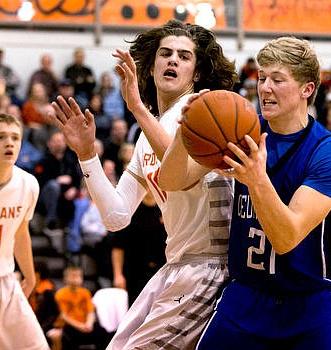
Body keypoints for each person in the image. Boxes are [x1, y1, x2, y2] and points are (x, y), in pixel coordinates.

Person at [49, 19, 237, 349]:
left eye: (184, 56)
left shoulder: (205, 108)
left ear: (195, 73)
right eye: (165, 53)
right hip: (176, 265)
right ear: (150, 67)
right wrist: (86, 154)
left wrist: (136, 107)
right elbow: (116, 216)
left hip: (212, 266)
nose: (173, 60)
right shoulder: (144, 138)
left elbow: (180, 171)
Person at [159, 36, 331, 349]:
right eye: (262, 78)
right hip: (246, 295)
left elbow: (287, 237)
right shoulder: (242, 131)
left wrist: (256, 179)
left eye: (278, 80)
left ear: (307, 89)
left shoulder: (329, 153)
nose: (264, 88)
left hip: (311, 303)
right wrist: (186, 131)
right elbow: (171, 180)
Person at [0, 113, 49, 349]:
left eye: (16, 138)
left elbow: (20, 232)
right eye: (1, 137)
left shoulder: (27, 184)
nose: (10, 143)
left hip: (3, 284)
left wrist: (30, 275)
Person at [112, 189, 167, 306]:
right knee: (135, 310)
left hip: (161, 271)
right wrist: (118, 275)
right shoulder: (130, 211)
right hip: (135, 272)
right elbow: (118, 247)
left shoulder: (166, 210)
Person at [49, 265, 109, 350]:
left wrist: (89, 323)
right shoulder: (61, 294)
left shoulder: (85, 292)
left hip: (85, 324)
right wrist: (79, 326)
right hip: (69, 326)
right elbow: (64, 316)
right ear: (65, 278)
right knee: (68, 337)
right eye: (73, 276)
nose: (76, 278)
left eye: (79, 276)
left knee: (102, 332)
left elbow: (90, 311)